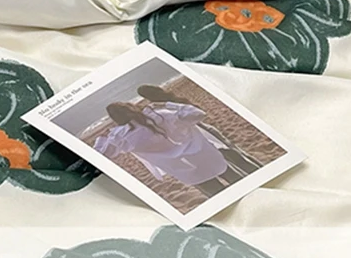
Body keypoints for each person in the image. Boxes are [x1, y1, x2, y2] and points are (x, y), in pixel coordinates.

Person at [94, 101, 231, 197]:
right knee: (236, 181)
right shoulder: (159, 115)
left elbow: (99, 155)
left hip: (184, 169)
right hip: (203, 155)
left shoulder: (121, 137)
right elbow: (198, 114)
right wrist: (167, 104)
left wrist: (102, 138)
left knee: (218, 196)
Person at [137, 84, 263, 177]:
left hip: (197, 136)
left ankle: (256, 174)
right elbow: (197, 111)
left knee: (227, 160)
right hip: (203, 130)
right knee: (235, 154)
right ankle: (259, 171)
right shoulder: (170, 101)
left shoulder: (158, 109)